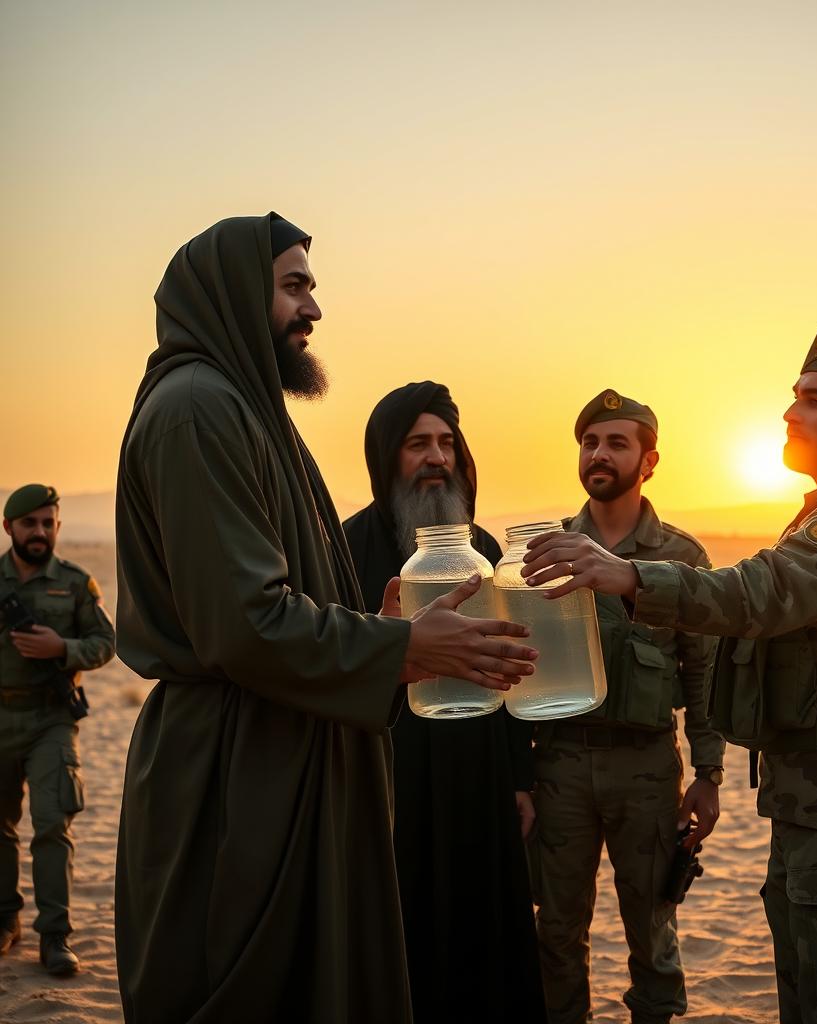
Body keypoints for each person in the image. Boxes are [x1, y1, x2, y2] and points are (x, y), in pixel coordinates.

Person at [113, 213, 536, 1024]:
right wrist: (399, 645)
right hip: (237, 772)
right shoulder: (200, 409)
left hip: (282, 749)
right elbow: (242, 623)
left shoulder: (243, 410)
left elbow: (274, 601)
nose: (314, 310)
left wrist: (368, 626)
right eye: (295, 286)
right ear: (239, 293)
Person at [522, 326, 817, 1024]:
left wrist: (626, 575)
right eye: (793, 397)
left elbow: (751, 599)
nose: (790, 413)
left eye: (813, 400)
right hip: (812, 809)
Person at [344, 381, 547, 1024]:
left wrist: (518, 779)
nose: (436, 458)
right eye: (417, 444)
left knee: (480, 927)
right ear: (386, 457)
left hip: (476, 771)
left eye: (446, 443)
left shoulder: (485, 554)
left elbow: (511, 665)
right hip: (384, 773)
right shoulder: (347, 549)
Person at [530, 391, 723, 1024]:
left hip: (646, 768)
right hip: (560, 766)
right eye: (589, 442)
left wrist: (709, 774)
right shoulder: (547, 550)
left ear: (649, 460)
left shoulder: (681, 558)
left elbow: (703, 674)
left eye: (617, 442)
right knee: (556, 930)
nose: (599, 453)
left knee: (652, 925)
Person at [0, 483, 115, 975]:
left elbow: (107, 642)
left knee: (52, 825)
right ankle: (6, 920)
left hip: (51, 719)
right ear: (9, 528)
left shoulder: (75, 583)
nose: (41, 532)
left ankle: (55, 936)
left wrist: (62, 650)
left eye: (49, 523)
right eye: (31, 523)